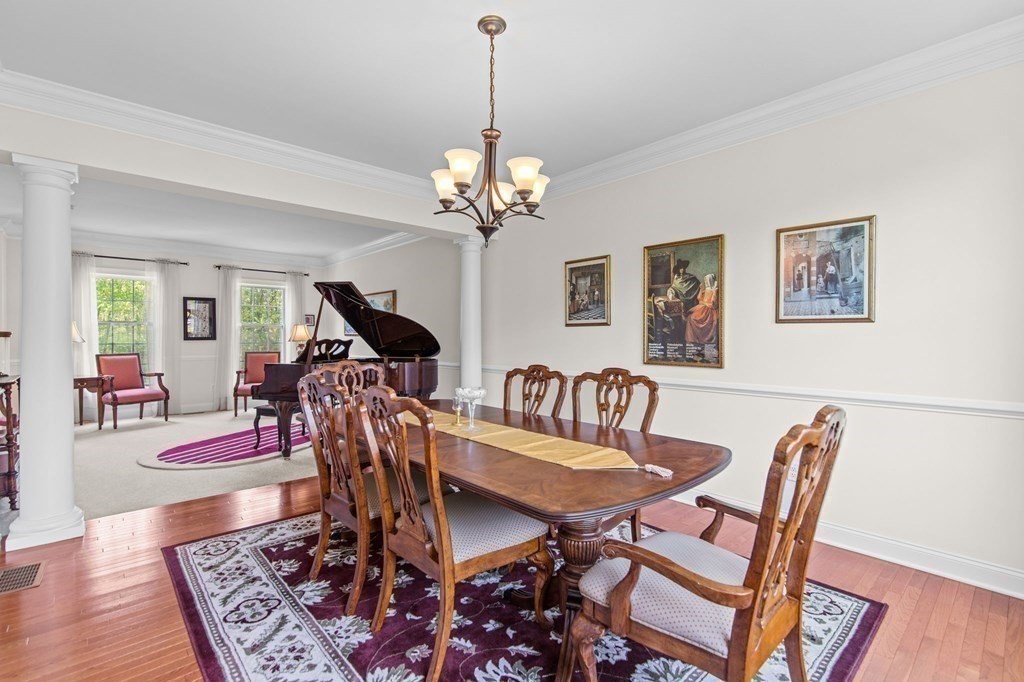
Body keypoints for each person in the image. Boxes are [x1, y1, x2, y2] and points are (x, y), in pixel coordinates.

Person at [685, 274, 719, 345]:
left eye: (707, 281)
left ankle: (701, 339)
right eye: (705, 281)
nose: (705, 282)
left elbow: (713, 305)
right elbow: (699, 299)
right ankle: (692, 339)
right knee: (690, 317)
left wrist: (714, 291)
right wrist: (701, 289)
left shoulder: (714, 290)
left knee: (693, 318)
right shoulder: (707, 289)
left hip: (709, 312)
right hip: (702, 309)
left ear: (710, 281)